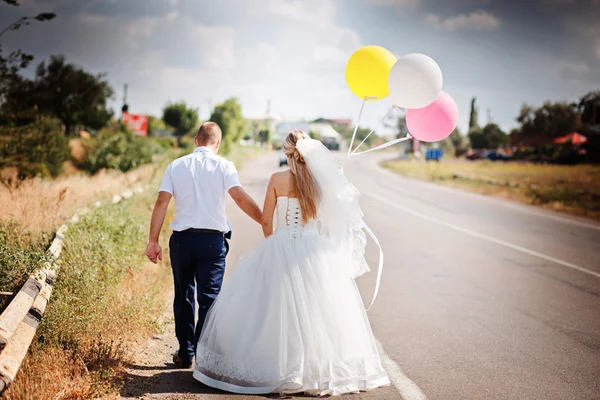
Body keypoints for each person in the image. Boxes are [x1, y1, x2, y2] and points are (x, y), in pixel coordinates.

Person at [193, 130, 390, 396]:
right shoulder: (320, 181)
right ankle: (316, 371)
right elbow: (335, 215)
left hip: (282, 242)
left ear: (286, 152)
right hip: (314, 249)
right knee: (318, 313)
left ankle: (281, 368)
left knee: (275, 310)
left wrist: (274, 245)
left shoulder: (277, 178)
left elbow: (266, 221)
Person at [146, 122, 262, 368]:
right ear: (217, 143)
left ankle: (185, 352)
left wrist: (153, 241)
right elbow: (239, 197)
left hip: (182, 242)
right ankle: (205, 357)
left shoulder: (175, 166)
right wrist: (264, 221)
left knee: (183, 295)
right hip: (212, 242)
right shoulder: (224, 165)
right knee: (209, 298)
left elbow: (161, 203)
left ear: (195, 141)